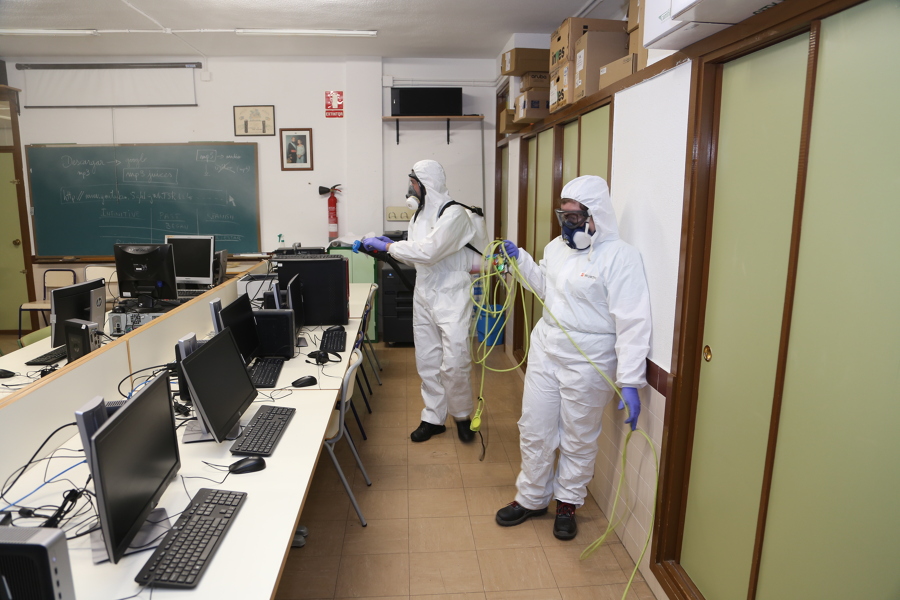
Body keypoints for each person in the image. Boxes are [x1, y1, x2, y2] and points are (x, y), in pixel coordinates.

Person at [494, 175, 651, 540]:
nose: (567, 225)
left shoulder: (621, 257)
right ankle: (532, 497)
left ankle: (567, 503)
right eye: (563, 216)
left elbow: (632, 320)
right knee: (535, 429)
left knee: (578, 436)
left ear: (595, 217)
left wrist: (629, 380)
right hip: (548, 349)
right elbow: (546, 289)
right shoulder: (556, 248)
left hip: (590, 359)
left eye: (574, 218)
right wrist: (522, 261)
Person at [360, 160, 476, 443]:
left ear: (427, 184)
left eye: (413, 183)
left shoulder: (455, 214)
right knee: (427, 359)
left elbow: (429, 251)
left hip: (451, 294)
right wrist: (388, 249)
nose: (410, 189)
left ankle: (462, 416)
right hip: (424, 291)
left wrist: (388, 246)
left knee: (455, 361)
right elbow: (416, 252)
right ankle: (433, 418)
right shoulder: (419, 215)